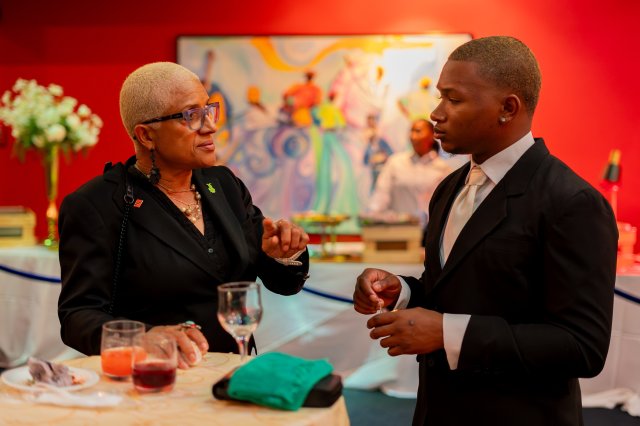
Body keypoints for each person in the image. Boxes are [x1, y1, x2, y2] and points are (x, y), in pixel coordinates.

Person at [353, 36, 618, 425]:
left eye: (454, 99)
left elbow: (582, 346)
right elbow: (461, 290)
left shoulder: (572, 201)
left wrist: (448, 333)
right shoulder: (449, 188)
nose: (436, 114)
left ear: (507, 108)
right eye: (440, 97)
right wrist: (405, 291)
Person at [58, 62, 310, 369]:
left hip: (233, 374)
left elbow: (283, 284)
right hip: (155, 377)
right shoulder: (96, 205)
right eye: (192, 115)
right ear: (146, 136)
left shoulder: (224, 184)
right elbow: (77, 316)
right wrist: (140, 338)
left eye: (209, 109)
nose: (210, 126)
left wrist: (284, 254)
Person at [367, 118, 452, 230]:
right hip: (398, 230)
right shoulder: (395, 162)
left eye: (418, 131)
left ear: (432, 135)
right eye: (411, 131)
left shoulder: (443, 169)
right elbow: (381, 193)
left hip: (429, 231)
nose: (413, 136)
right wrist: (373, 217)